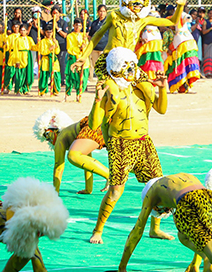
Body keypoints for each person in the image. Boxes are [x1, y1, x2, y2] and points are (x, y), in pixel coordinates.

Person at [87, 47, 172, 244]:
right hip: (120, 144)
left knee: (156, 186)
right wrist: (97, 100)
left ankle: (155, 229)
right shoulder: (110, 89)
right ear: (115, 69)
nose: (131, 69)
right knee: (115, 191)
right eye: (125, 66)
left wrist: (162, 88)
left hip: (144, 142)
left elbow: (162, 109)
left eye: (132, 65)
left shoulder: (141, 87)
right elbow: (93, 124)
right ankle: (98, 230)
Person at [74, 0, 188, 83]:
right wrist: (84, 56)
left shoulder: (143, 20)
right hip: (109, 61)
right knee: (111, 92)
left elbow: (173, 22)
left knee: (148, 90)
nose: (138, 3)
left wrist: (180, 5)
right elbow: (97, 35)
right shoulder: (114, 16)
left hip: (129, 63)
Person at [33, 109, 108, 195]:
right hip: (100, 123)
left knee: (72, 156)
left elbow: (58, 167)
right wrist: (88, 189)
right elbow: (88, 164)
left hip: (90, 124)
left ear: (54, 130)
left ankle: (110, 176)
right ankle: (110, 177)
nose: (49, 140)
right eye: (46, 138)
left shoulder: (61, 137)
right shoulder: (76, 137)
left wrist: (55, 193)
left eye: (47, 135)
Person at [165, 13, 200, 93]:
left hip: (185, 48)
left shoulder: (183, 29)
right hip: (176, 52)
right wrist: (168, 50)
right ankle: (181, 86)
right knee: (180, 68)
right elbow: (164, 45)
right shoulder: (168, 33)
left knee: (187, 66)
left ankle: (187, 87)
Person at [65, 18, 89, 102]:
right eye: (76, 25)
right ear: (73, 25)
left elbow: (87, 48)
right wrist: (79, 48)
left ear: (82, 26)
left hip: (83, 59)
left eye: (79, 26)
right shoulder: (70, 36)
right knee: (71, 77)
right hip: (74, 58)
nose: (77, 27)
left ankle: (79, 94)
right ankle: (67, 95)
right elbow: (70, 49)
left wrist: (84, 46)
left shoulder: (84, 36)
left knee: (83, 78)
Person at [13, 23, 36, 95]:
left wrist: (39, 43)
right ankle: (19, 89)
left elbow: (33, 47)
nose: (23, 32)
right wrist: (17, 60)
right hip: (20, 56)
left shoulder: (29, 39)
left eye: (24, 30)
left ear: (27, 31)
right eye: (21, 30)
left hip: (27, 56)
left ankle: (26, 89)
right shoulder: (17, 40)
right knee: (20, 74)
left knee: (27, 73)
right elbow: (15, 50)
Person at [37, 27, 61, 96]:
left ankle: (55, 90)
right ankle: (43, 90)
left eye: (50, 32)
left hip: (53, 59)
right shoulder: (43, 41)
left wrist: (56, 45)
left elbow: (57, 51)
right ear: (45, 32)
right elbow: (42, 51)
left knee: (55, 74)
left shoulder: (55, 40)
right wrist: (50, 49)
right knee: (44, 75)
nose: (49, 34)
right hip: (46, 59)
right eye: (48, 32)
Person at [87, 4, 108, 80]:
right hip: (95, 48)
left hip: (104, 48)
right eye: (100, 11)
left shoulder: (108, 22)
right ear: (98, 12)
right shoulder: (94, 23)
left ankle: (104, 82)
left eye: (103, 11)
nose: (102, 13)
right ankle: (99, 81)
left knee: (104, 67)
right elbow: (90, 35)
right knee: (96, 66)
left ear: (106, 12)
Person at [3, 20, 21, 94]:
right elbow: (7, 48)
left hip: (20, 56)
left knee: (18, 74)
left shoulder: (21, 36)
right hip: (12, 56)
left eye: (17, 27)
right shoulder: (10, 37)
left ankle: (18, 89)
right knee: (10, 72)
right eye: (14, 27)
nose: (16, 28)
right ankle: (8, 87)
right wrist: (5, 44)